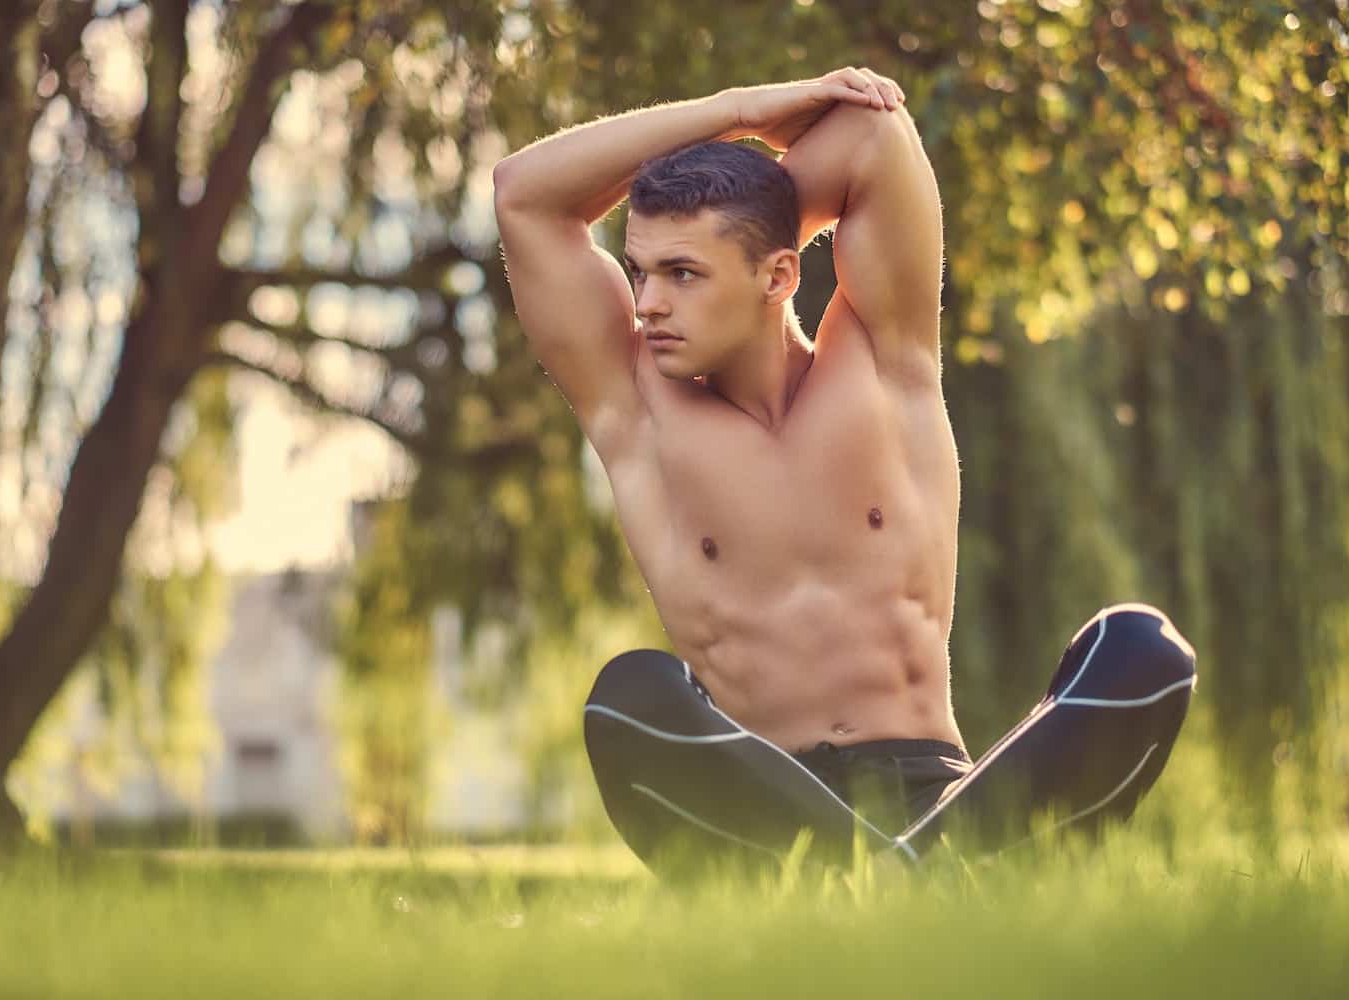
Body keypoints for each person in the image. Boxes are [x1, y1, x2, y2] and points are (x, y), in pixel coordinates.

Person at [492, 68, 1196, 875]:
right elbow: (524, 197)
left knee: (1142, 648)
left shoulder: (883, 359)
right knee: (628, 697)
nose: (646, 301)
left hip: (935, 790)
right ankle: (931, 881)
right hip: (766, 811)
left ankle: (910, 870)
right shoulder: (638, 412)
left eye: (683, 274)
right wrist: (736, 110)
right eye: (640, 270)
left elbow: (874, 136)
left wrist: (753, 204)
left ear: (780, 276)